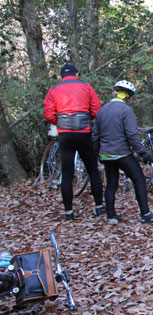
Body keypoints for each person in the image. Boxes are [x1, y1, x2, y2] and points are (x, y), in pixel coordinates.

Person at [92, 80, 153, 224]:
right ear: (127, 96)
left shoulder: (102, 110)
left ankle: (111, 216)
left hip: (106, 154)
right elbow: (132, 135)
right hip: (122, 153)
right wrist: (143, 153)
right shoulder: (126, 110)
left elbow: (95, 135)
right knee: (138, 179)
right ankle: (146, 214)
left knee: (111, 184)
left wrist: (97, 153)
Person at [44, 64, 104, 221]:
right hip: (83, 133)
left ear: (62, 75)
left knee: (67, 174)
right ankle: (99, 207)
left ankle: (69, 213)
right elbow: (96, 110)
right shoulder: (86, 86)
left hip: (65, 136)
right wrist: (85, 120)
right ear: (76, 73)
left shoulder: (54, 89)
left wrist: (61, 123)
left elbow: (48, 113)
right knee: (92, 170)